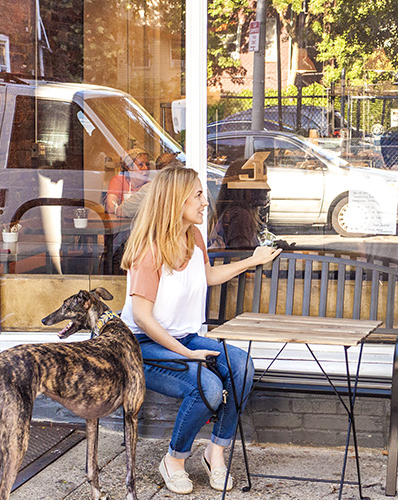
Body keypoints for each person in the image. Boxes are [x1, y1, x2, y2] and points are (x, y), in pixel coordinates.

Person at [119, 166, 281, 494]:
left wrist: (252, 261)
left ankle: (215, 453)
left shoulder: (192, 235)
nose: (204, 201)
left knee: (240, 367)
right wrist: (188, 354)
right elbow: (144, 318)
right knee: (206, 385)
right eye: (197, 194)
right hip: (139, 345)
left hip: (185, 336)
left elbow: (205, 276)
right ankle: (174, 461)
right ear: (176, 200)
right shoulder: (148, 250)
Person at [105, 147, 151, 216]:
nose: (146, 168)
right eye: (140, 165)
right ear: (129, 168)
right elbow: (110, 207)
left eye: (147, 164)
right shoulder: (119, 180)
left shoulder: (150, 185)